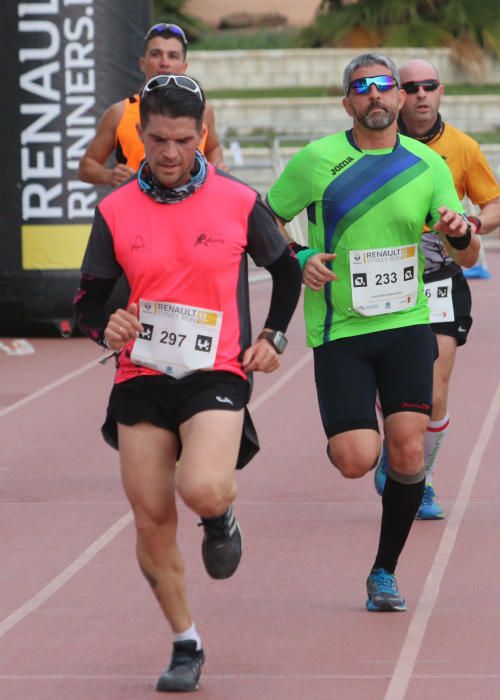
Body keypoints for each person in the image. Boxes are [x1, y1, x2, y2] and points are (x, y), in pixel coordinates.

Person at [73, 75, 301, 692]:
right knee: (150, 518)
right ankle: (185, 642)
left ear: (202, 134)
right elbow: (88, 303)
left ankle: (221, 515)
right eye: (155, 140)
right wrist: (107, 326)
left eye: (180, 139)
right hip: (141, 374)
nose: (168, 153)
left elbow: (287, 272)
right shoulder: (115, 210)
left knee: (200, 488)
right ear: (138, 135)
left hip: (216, 370)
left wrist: (274, 337)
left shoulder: (237, 200)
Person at [265, 53, 473, 612]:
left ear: (400, 99)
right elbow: (265, 218)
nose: (375, 95)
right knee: (357, 457)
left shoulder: (427, 165)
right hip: (340, 330)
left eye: (384, 86)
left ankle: (384, 571)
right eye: (362, 88)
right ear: (347, 102)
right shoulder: (316, 160)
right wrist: (299, 253)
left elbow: (469, 248)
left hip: (407, 321)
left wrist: (459, 231)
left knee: (408, 453)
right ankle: (361, 437)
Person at [370, 58, 500, 520]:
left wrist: (471, 223)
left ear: (441, 91)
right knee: (391, 386)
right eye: (411, 87)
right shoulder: (377, 144)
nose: (421, 94)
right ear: (397, 95)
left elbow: (497, 207)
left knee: (436, 389)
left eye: (429, 85)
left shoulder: (462, 148)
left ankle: (419, 478)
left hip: (441, 279)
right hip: (386, 277)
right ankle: (396, 445)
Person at [79, 22, 224, 188]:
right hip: (137, 207)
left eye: (173, 56)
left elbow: (213, 148)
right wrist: (109, 175)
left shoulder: (203, 110)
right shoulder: (119, 112)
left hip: (192, 206)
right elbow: (86, 166)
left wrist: (216, 166)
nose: (164, 62)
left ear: (184, 67)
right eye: (156, 54)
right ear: (142, 63)